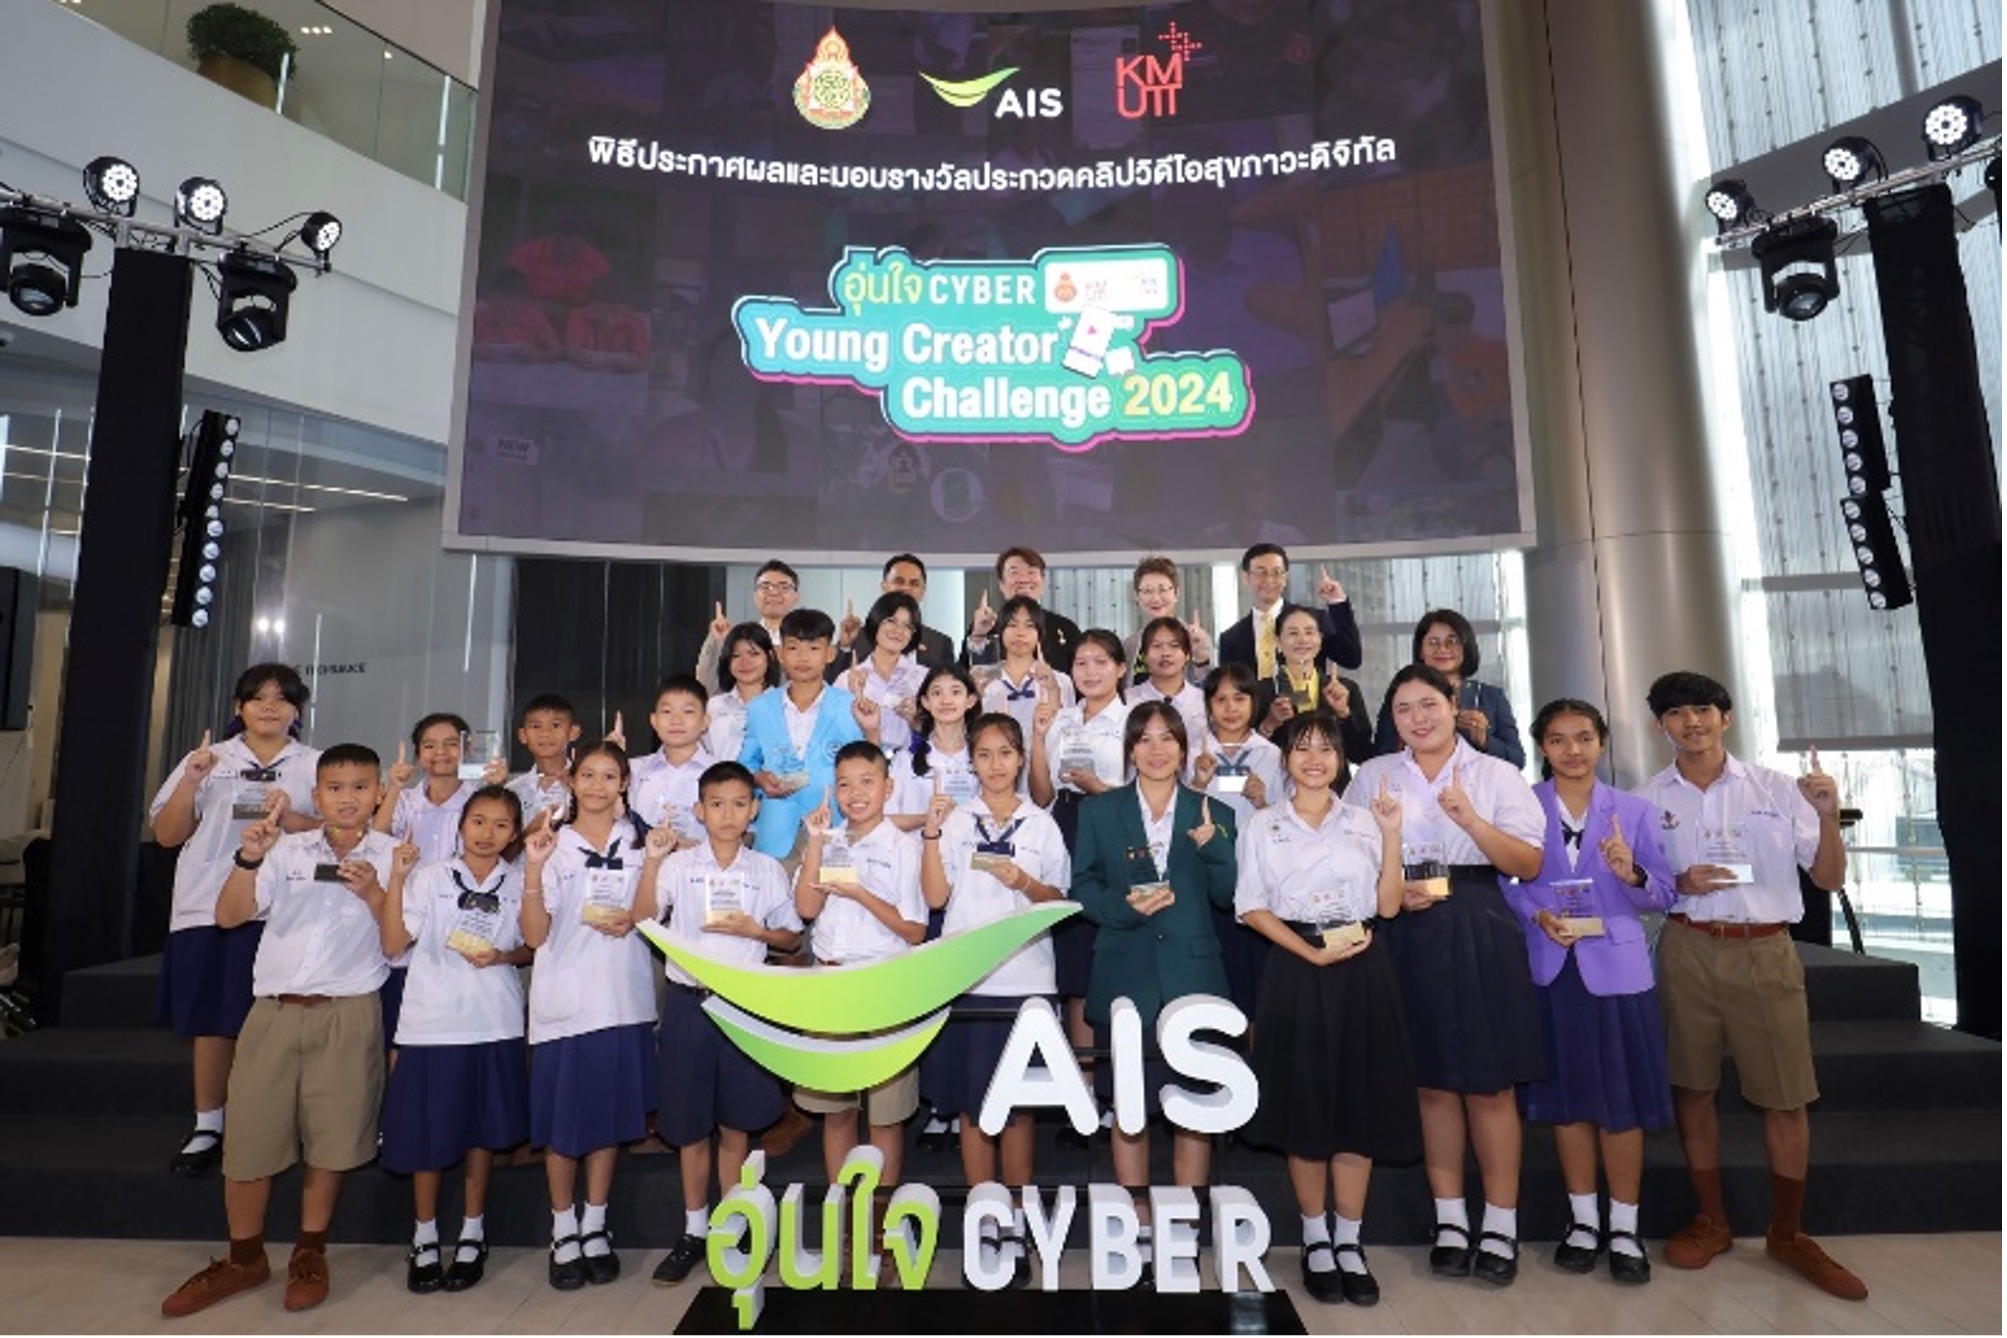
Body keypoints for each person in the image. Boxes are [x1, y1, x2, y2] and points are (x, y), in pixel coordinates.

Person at [1638, 671, 1865, 1301]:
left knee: (1786, 1098)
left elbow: (1828, 878)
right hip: (1686, 948)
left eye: (1703, 709)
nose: (1692, 722)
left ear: (1726, 717)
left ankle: (1788, 1234)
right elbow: (1636, 887)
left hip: (1765, 949)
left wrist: (1828, 817)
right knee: (1692, 1090)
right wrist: (1677, 882)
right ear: (1660, 726)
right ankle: (1712, 1220)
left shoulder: (1776, 788)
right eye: (1676, 713)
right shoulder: (1645, 798)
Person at [159, 745, 393, 1318]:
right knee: (249, 1140)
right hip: (272, 1011)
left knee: (331, 1141)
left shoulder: (395, 856)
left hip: (348, 1012)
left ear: (379, 794)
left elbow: (398, 940)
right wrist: (247, 859)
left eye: (360, 787)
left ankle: (310, 1252)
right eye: (334, 787)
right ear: (317, 795)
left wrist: (374, 893)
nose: (347, 798)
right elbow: (229, 916)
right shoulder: (283, 850)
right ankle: (244, 1258)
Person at [1348, 665, 1545, 1287]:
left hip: (1479, 923)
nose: (1418, 718)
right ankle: (1452, 1220)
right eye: (1403, 709)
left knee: (1490, 1086)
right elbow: (1351, 855)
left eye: (1428, 704)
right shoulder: (1374, 776)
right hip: (1405, 929)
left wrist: (1470, 821)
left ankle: (1501, 1225)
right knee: (1430, 1084)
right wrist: (1388, 888)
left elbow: (1529, 863)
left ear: (1452, 704)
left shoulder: (1496, 774)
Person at [1235, 713, 1416, 1307]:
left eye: (1326, 749)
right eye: (1303, 748)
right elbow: (1251, 906)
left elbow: (1388, 907)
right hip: (1295, 967)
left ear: (1341, 759)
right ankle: (1315, 1237)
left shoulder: (1365, 819)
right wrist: (1307, 953)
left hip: (1361, 965)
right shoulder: (1262, 824)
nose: (1315, 759)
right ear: (1285, 758)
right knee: (1305, 1104)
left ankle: (1349, 1241)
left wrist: (1392, 834)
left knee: (1356, 1103)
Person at [1502, 700, 1675, 1287]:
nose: (1571, 750)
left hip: (1618, 972)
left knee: (1620, 1104)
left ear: (1601, 742)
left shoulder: (1634, 810)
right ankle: (1582, 1223)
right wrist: (1536, 913)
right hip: (1551, 967)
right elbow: (1505, 880)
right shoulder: (1522, 806)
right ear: (1541, 747)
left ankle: (1624, 1228)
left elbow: (1664, 893)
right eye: (1557, 739)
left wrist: (1631, 873)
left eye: (1583, 737)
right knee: (1566, 1101)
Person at [1072, 702, 1238, 1255]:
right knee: (1130, 1109)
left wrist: (1214, 846)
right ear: (1130, 751)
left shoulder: (1213, 811)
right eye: (1144, 739)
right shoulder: (1100, 811)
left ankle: (1185, 1223)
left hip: (1194, 978)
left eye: (1168, 738)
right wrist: (1122, 908)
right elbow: (1082, 887)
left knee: (1194, 1109)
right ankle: (1137, 1223)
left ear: (1184, 749)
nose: (1157, 749)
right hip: (1126, 973)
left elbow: (1229, 895)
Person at [149, 664, 320, 1177]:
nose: (269, 706)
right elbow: (166, 835)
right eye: (257, 697)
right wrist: (192, 782)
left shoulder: (313, 764)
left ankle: (273, 1123)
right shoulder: (209, 759)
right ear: (238, 707)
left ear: (296, 711)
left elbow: (340, 831)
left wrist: (292, 819)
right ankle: (209, 1123)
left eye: (282, 698)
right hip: (207, 905)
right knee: (212, 1020)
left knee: (279, 1024)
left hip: (288, 909)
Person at [917, 712, 1070, 1284]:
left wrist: (1024, 883)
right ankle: (984, 1222)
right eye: (984, 754)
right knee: (972, 1108)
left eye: (1006, 752)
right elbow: (936, 897)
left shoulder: (1041, 824)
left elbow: (1060, 899)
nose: (996, 764)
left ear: (1020, 758)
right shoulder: (958, 821)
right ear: (971, 762)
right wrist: (931, 834)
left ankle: (1018, 1224)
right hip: (970, 981)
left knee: (1017, 1109)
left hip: (1027, 980)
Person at [646, 761, 805, 1288]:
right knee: (690, 1126)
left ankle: (733, 1226)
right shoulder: (678, 865)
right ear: (700, 810)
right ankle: (694, 1231)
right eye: (717, 804)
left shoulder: (766, 870)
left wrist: (757, 931)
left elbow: (791, 938)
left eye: (739, 803)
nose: (728, 814)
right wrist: (651, 861)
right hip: (689, 1004)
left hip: (744, 1005)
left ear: (754, 809)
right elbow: (644, 916)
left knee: (737, 1123)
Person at [375, 787, 531, 1295]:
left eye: (501, 825)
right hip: (432, 1024)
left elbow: (531, 946)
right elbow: (393, 944)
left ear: (514, 833)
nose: (488, 834)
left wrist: (502, 957)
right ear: (462, 825)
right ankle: (423, 1236)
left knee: (482, 1132)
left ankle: (471, 1232)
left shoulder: (520, 881)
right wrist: (397, 877)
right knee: (427, 1134)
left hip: (494, 1021)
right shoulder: (429, 876)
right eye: (478, 821)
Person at [519, 742, 658, 1291]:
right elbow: (534, 935)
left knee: (609, 1120)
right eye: (588, 775)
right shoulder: (552, 844)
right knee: (562, 1125)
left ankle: (595, 1223)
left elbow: (653, 913)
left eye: (610, 776)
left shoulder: (640, 843)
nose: (598, 785)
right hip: (567, 1002)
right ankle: (563, 1229)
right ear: (571, 783)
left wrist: (636, 916)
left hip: (623, 1000)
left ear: (624, 784)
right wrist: (533, 869)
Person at [794, 743, 928, 1253]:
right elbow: (806, 909)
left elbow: (915, 930)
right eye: (845, 783)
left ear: (888, 788)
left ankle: (881, 1231)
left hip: (885, 986)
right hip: (830, 984)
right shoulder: (826, 840)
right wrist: (815, 842)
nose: (855, 793)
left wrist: (860, 893)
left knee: (886, 1115)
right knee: (836, 1112)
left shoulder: (904, 846)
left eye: (866, 782)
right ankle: (844, 1228)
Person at [1028, 629, 1130, 1086]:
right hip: (1066, 826)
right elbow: (1041, 794)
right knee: (1075, 960)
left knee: (1114, 952)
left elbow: (1145, 795)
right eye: (1081, 662)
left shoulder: (1134, 722)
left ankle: (1121, 1086)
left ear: (1121, 668)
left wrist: (1098, 789)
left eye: (1101, 662)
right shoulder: (1060, 719)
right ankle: (1084, 1088)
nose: (1090, 671)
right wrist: (1037, 737)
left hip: (1115, 828)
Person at [374, 713, 509, 1053]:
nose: (441, 753)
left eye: (451, 744)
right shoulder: (406, 800)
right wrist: (395, 787)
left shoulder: (478, 801)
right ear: (418, 753)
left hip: (461, 930)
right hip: (406, 926)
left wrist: (499, 788)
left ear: (468, 749)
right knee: (401, 1037)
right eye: (430, 746)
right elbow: (376, 838)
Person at [736, 608, 879, 857]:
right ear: (780, 654)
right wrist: (759, 779)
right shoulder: (760, 707)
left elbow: (871, 766)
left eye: (813, 648)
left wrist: (872, 730)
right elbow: (745, 765)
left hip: (835, 829)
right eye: (793, 648)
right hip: (774, 834)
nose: (802, 657)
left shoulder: (851, 706)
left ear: (830, 654)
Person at [1191, 662, 1286, 1022]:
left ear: (1254, 703)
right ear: (1208, 706)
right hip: (1206, 875)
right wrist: (1198, 783)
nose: (1230, 708)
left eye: (1240, 698)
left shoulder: (1271, 754)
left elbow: (1285, 822)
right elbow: (1177, 814)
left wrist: (1262, 802)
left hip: (1256, 877)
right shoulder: (1194, 754)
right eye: (1221, 700)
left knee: (1255, 978)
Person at [1373, 609, 1525, 768]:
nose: (1443, 648)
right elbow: (1378, 758)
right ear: (1420, 651)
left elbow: (1517, 762)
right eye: (1433, 642)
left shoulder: (1490, 697)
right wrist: (1404, 739)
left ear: (1466, 647)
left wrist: (1484, 740)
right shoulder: (1401, 696)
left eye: (1452, 641)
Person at [1216, 545, 1362, 679]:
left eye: (1276, 572)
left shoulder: (1313, 620)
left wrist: (1337, 602)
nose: (1269, 580)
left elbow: (1351, 658)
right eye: (1261, 573)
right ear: (1246, 578)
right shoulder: (1230, 638)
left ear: (1285, 577)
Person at [1257, 605, 1372, 768]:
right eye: (1293, 633)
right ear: (1277, 641)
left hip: (1332, 782)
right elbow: (1247, 756)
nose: (1303, 640)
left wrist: (1343, 714)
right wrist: (1269, 723)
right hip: (1279, 780)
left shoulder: (1345, 689)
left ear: (1320, 639)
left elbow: (1362, 754)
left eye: (1309, 632)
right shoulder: (1261, 691)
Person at [976, 596, 1074, 760]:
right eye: (1012, 625)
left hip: (1047, 768)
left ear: (1040, 634)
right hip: (997, 768)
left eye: (1029, 625)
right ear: (1000, 631)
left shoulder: (1060, 681)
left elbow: (1069, 735)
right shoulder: (985, 681)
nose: (1020, 633)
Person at [890, 665, 982, 833]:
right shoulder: (906, 759)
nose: (946, 700)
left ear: (970, 700)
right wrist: (927, 818)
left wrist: (959, 814)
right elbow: (886, 820)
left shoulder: (982, 758)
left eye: (955, 692)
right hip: (916, 848)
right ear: (925, 702)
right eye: (937, 693)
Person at [962, 546, 1082, 672]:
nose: (1023, 579)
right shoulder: (986, 627)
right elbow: (963, 676)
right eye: (1014, 572)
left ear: (1043, 581)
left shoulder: (1065, 628)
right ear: (1001, 584)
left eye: (1031, 572)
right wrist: (979, 635)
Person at [630, 675, 714, 849]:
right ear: (654, 721)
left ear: (705, 722)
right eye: (667, 711)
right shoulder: (633, 770)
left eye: (688, 712)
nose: (676, 720)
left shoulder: (721, 774)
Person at [833, 554, 956, 672]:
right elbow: (832, 680)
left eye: (914, 583)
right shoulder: (859, 638)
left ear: (923, 591)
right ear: (884, 586)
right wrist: (845, 646)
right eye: (899, 581)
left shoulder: (940, 644)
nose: (906, 588)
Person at [694, 559, 801, 695]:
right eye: (765, 586)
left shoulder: (807, 641)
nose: (773, 592)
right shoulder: (738, 638)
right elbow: (706, 686)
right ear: (755, 595)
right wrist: (718, 642)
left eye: (783, 587)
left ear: (796, 596)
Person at [843, 592, 931, 753]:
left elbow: (942, 735)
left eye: (907, 626)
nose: (898, 630)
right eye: (891, 621)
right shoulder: (848, 679)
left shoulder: (925, 678)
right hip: (864, 762)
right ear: (876, 622)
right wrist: (850, 696)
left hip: (910, 763)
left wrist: (918, 721)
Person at [1121, 556, 1213, 683]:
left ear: (1176, 593)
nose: (1156, 598)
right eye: (1147, 591)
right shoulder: (1130, 645)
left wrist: (1201, 659)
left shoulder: (1196, 638)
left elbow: (1210, 687)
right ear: (1137, 596)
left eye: (1162, 590)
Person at [1127, 616, 1210, 746]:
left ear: (1187, 655)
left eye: (1174, 646)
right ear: (1144, 656)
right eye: (1157, 646)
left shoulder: (1205, 703)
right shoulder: (1127, 702)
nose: (1165, 653)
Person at [507, 694, 583, 832]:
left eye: (555, 725)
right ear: (523, 735)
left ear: (573, 732)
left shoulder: (587, 786)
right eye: (536, 726)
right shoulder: (512, 791)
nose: (545, 733)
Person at [706, 624, 778, 765]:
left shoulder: (783, 704)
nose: (744, 662)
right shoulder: (714, 706)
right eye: (736, 655)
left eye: (753, 654)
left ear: (770, 656)